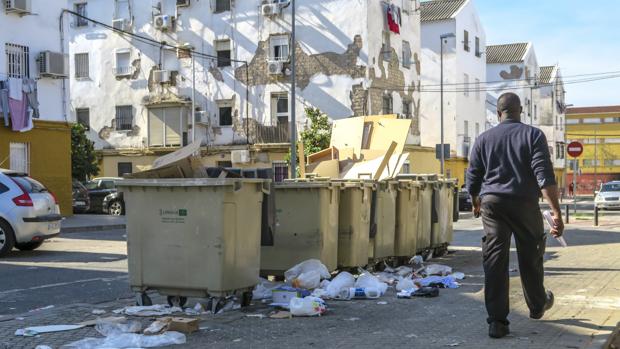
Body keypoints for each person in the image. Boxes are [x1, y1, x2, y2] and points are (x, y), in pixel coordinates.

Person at [466, 92, 565, 339]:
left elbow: (473, 177)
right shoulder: (533, 135)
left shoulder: (483, 139)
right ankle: (537, 304)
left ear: (499, 113)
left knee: (495, 261)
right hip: (524, 203)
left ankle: (497, 323)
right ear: (521, 111)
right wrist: (556, 212)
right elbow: (544, 175)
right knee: (531, 254)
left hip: (493, 205)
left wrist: (475, 202)